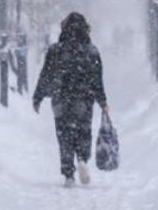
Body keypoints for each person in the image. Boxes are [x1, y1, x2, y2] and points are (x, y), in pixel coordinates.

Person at [32, 12, 109, 187]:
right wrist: (103, 102)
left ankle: (68, 175)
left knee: (64, 136)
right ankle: (82, 159)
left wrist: (38, 97)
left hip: (60, 100)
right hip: (83, 101)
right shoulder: (92, 52)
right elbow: (97, 81)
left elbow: (46, 75)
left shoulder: (55, 51)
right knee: (83, 132)